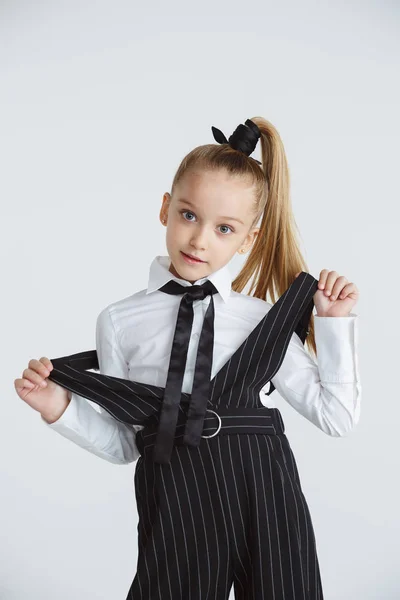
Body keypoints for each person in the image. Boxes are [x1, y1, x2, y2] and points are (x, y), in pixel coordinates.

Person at [14, 116, 361, 599]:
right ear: (165, 209)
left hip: (264, 490)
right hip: (175, 494)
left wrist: (335, 324)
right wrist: (59, 407)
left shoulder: (262, 318)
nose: (199, 240)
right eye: (189, 215)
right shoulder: (119, 320)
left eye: (225, 228)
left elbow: (336, 416)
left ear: (249, 239)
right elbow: (126, 443)